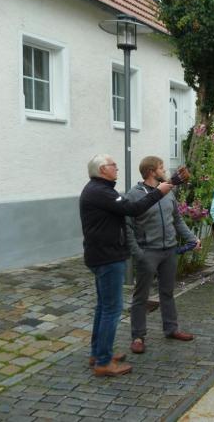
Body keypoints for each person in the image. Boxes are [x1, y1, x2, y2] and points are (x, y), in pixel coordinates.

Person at [79, 154, 172, 377]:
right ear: (102, 169)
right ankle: (103, 362)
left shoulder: (99, 189)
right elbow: (133, 208)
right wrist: (160, 192)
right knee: (111, 309)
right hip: (107, 257)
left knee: (103, 307)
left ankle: (98, 352)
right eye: (113, 166)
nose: (117, 168)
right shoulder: (100, 192)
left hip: (101, 255)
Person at [125, 156, 199, 355]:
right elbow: (127, 228)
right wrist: (138, 253)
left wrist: (192, 238)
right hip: (148, 252)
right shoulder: (133, 195)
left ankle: (171, 329)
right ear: (151, 172)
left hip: (169, 251)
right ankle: (138, 336)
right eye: (161, 167)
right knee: (141, 295)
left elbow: (177, 220)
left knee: (167, 292)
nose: (165, 170)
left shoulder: (167, 192)